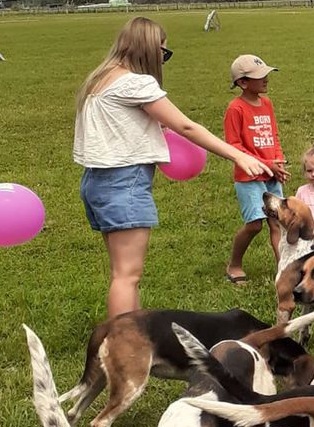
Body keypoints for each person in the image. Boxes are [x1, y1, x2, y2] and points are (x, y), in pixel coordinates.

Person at [74, 18, 273, 318]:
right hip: (124, 183)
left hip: (96, 182)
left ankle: (135, 339)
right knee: (127, 276)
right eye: (163, 54)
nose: (163, 61)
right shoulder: (135, 82)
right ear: (148, 50)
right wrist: (237, 155)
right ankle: (123, 351)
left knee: (122, 273)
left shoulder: (99, 80)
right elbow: (185, 126)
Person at [224, 54, 287, 284]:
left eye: (266, 74)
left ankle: (283, 271)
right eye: (260, 77)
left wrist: (278, 161)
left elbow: (274, 135)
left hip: (271, 172)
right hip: (249, 177)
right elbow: (234, 147)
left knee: (277, 222)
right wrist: (264, 164)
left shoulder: (267, 104)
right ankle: (234, 264)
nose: (266, 79)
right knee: (254, 226)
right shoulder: (236, 109)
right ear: (243, 82)